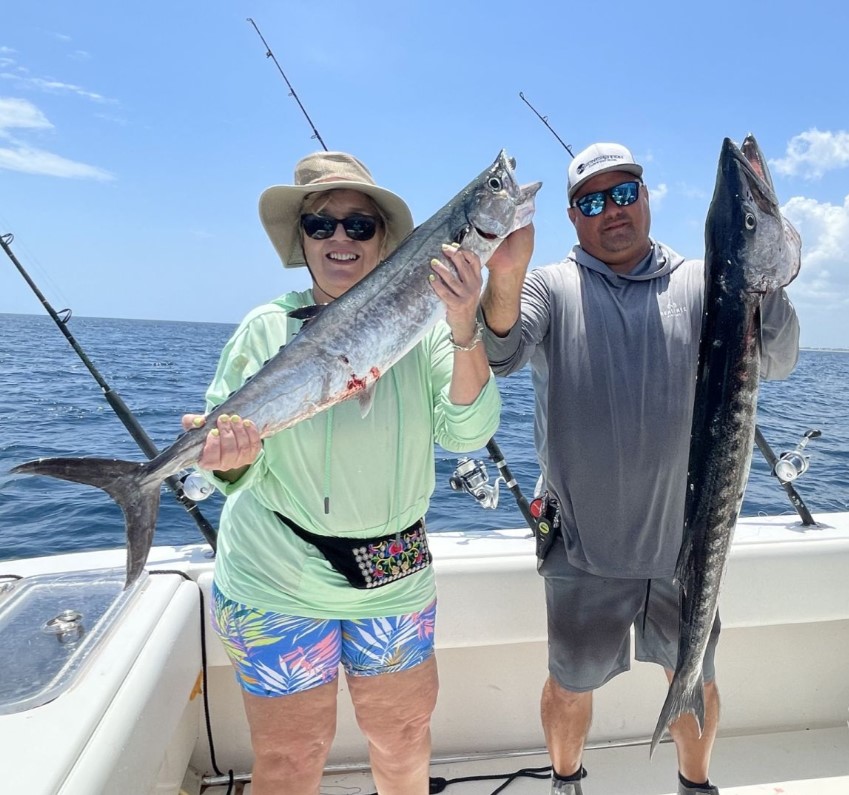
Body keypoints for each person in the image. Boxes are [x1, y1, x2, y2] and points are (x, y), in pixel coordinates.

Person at [480, 142, 800, 795]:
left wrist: (765, 272)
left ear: (647, 197)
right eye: (592, 201)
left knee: (694, 676)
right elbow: (500, 351)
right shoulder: (551, 286)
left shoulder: (703, 280)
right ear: (573, 216)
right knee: (570, 684)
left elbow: (779, 358)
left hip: (687, 544)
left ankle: (694, 787)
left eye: (624, 192)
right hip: (581, 544)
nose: (613, 210)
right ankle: (565, 783)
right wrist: (504, 274)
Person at [183, 151, 501, 795]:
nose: (339, 237)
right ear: (301, 239)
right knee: (290, 759)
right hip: (276, 574)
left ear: (383, 238)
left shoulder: (433, 324)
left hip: (392, 572)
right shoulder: (266, 328)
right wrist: (231, 462)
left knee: (403, 740)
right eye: (320, 223)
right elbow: (230, 471)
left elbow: (467, 433)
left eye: (359, 225)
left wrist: (465, 323)